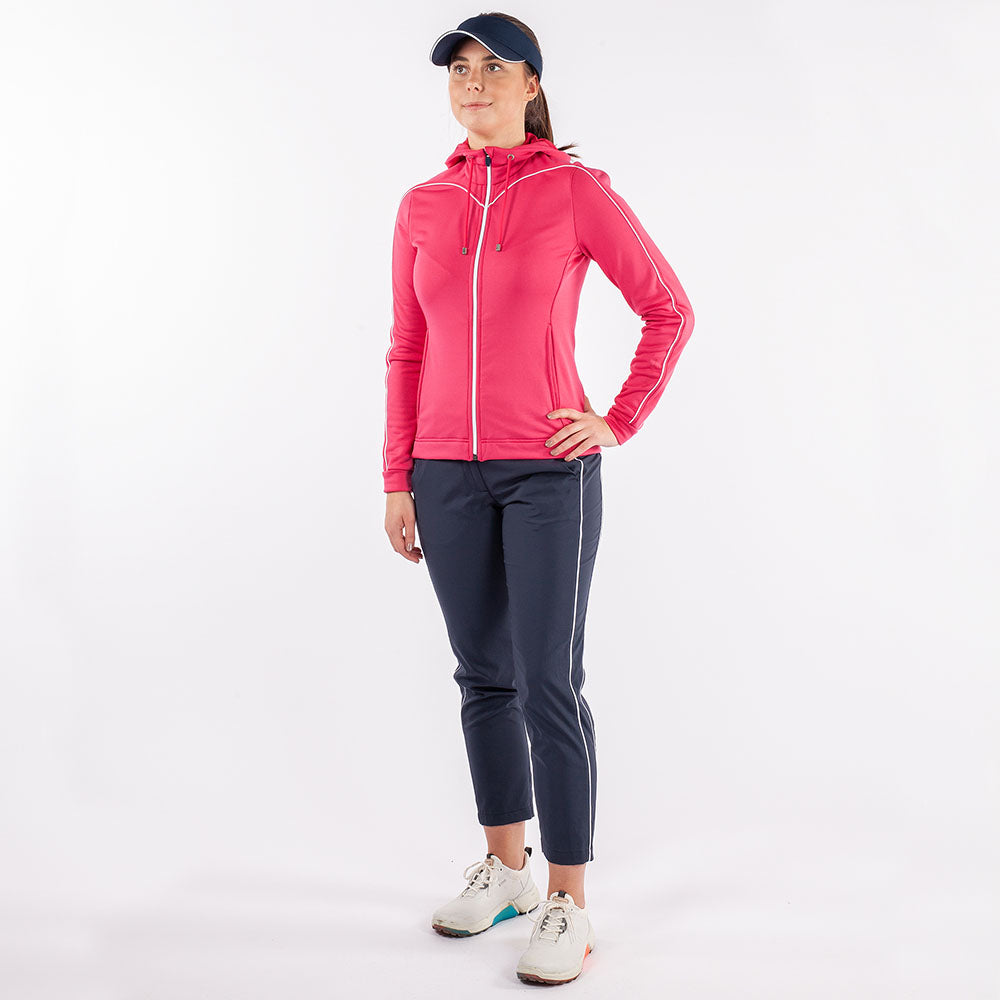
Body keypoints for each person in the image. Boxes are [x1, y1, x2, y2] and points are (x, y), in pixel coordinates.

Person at [382, 12, 695, 986]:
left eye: (493, 66)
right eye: (458, 68)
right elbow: (407, 347)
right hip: (444, 473)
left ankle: (568, 899)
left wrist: (617, 419)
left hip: (546, 471)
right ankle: (508, 870)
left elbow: (668, 309)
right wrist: (398, 475)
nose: (472, 82)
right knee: (483, 677)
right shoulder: (423, 204)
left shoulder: (573, 190)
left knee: (548, 681)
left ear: (532, 86)